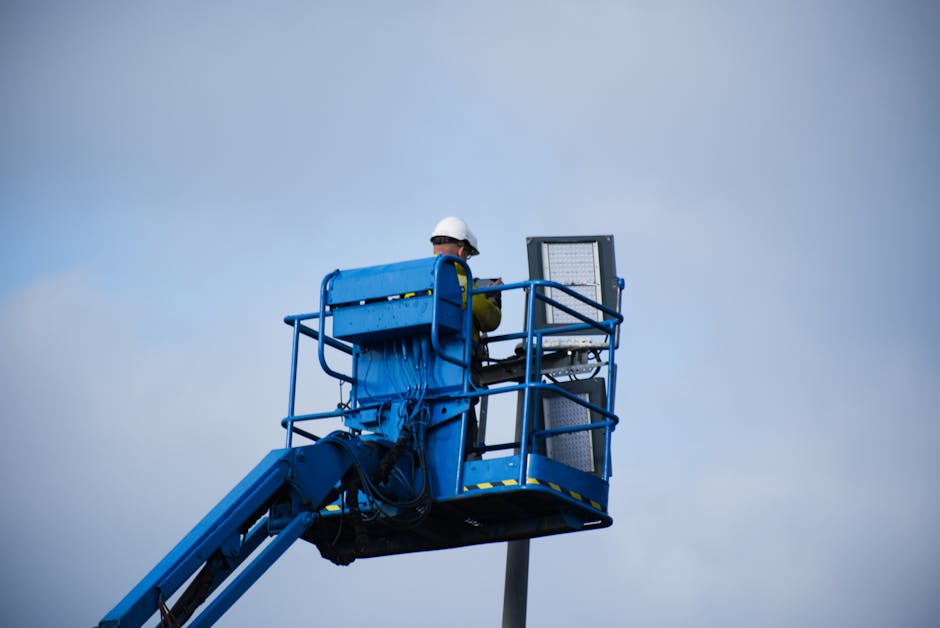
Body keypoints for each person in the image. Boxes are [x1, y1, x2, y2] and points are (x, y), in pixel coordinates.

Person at [430, 216, 502, 458]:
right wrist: (491, 296)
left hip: (422, 368)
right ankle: (468, 458)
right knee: (464, 422)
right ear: (461, 251)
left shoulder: (418, 282)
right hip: (459, 367)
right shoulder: (467, 284)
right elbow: (491, 320)